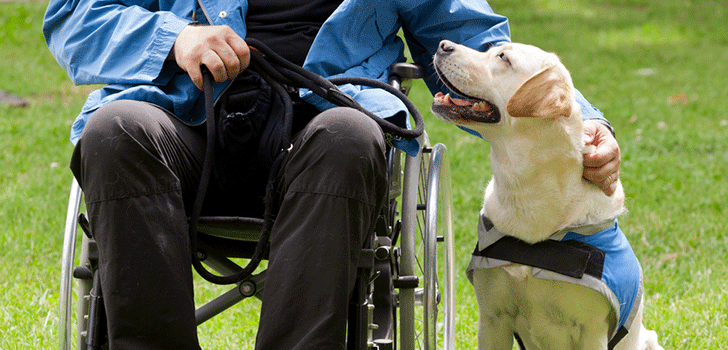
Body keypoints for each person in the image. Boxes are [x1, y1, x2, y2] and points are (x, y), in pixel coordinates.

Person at [44, 0, 621, 348]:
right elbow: (74, 16)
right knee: (115, 129)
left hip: (322, 133)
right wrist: (173, 38)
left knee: (350, 135)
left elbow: (482, 48)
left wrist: (583, 127)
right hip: (187, 124)